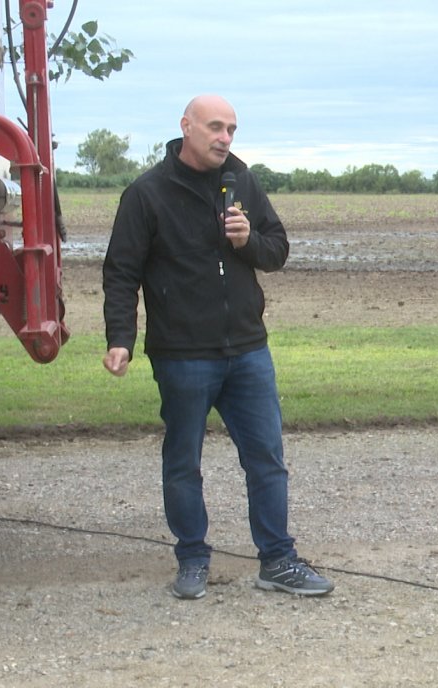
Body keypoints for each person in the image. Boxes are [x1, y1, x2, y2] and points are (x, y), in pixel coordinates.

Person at [102, 94, 333, 600]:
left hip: (247, 349)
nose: (224, 138)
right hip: (182, 354)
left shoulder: (242, 181)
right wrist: (121, 338)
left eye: (231, 129)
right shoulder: (146, 193)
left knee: (266, 458)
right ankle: (192, 558)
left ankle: (278, 559)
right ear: (186, 126)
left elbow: (277, 251)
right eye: (215, 127)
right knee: (183, 461)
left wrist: (248, 241)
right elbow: (121, 272)